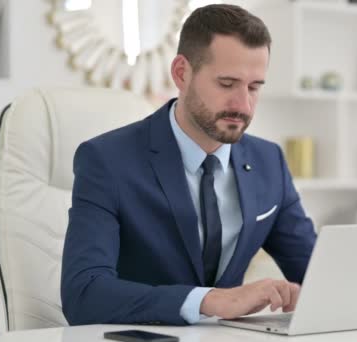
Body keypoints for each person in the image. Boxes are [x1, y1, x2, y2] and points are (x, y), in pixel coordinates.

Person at [61, 4, 317, 326]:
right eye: (226, 84)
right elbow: (83, 295)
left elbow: (320, 273)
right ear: (182, 73)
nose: (243, 105)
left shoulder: (269, 162)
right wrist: (210, 301)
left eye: (254, 87)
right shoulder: (107, 161)